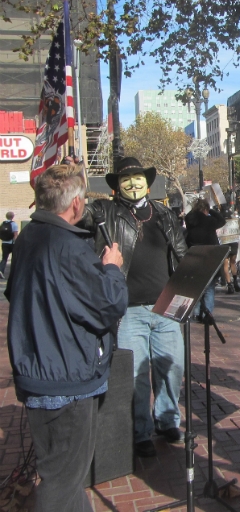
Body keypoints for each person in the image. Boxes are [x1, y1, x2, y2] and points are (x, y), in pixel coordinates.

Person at [6, 164, 127, 512]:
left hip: (44, 368)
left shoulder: (29, 236)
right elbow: (109, 304)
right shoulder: (65, 246)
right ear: (75, 205)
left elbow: (21, 295)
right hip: (64, 378)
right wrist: (111, 268)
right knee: (62, 479)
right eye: (84, 199)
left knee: (66, 477)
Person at [79, 157, 187, 458]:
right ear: (117, 186)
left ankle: (167, 421)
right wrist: (75, 175)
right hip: (128, 311)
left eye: (137, 177)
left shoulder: (164, 213)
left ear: (148, 182)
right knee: (135, 376)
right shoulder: (104, 212)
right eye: (125, 179)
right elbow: (78, 212)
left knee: (170, 368)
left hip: (166, 307)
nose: (132, 183)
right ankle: (139, 432)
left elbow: (180, 252)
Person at [185, 198, 226, 314]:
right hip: (210, 256)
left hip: (194, 255)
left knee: (196, 287)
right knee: (209, 287)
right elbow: (222, 221)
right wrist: (211, 211)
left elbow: (188, 216)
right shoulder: (210, 221)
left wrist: (196, 210)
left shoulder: (190, 220)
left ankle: (196, 312)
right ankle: (207, 314)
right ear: (206, 209)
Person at [0, 211, 19, 279]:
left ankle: (1, 270)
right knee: (14, 258)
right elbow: (15, 235)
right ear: (13, 217)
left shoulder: (3, 223)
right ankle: (14, 273)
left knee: (4, 258)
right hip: (11, 243)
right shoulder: (14, 224)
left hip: (4, 243)